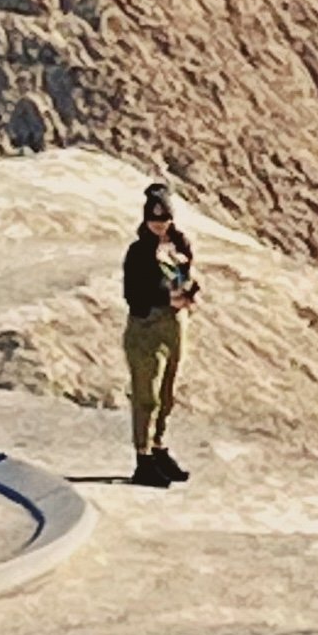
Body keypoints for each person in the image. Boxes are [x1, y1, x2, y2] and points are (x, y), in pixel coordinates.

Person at [121, 180, 198, 487]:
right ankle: (143, 458)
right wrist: (166, 299)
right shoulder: (139, 252)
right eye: (153, 219)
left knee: (166, 393)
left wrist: (188, 293)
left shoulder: (178, 245)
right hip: (146, 328)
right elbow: (134, 294)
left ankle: (158, 447)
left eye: (163, 218)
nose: (159, 224)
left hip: (174, 325)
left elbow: (186, 274)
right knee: (147, 395)